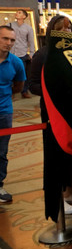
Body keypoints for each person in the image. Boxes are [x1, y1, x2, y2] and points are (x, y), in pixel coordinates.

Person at [29, 16, 72, 219]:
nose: (65, 32)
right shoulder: (43, 54)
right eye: (60, 29)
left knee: (71, 153)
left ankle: (70, 194)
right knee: (55, 156)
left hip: (71, 111)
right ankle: (58, 200)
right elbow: (33, 85)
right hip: (51, 112)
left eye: (69, 29)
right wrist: (55, 91)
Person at [0, 26, 26, 203]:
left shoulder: (16, 62)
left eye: (12, 40)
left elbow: (19, 86)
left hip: (4, 112)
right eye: (5, 38)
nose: (9, 43)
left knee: (1, 151)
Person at [10, 9, 35, 98]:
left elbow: (31, 41)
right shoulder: (9, 25)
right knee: (10, 73)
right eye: (16, 12)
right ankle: (11, 92)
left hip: (22, 54)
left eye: (19, 12)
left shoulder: (28, 28)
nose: (16, 13)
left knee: (23, 73)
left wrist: (32, 53)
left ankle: (24, 91)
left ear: (24, 16)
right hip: (11, 54)